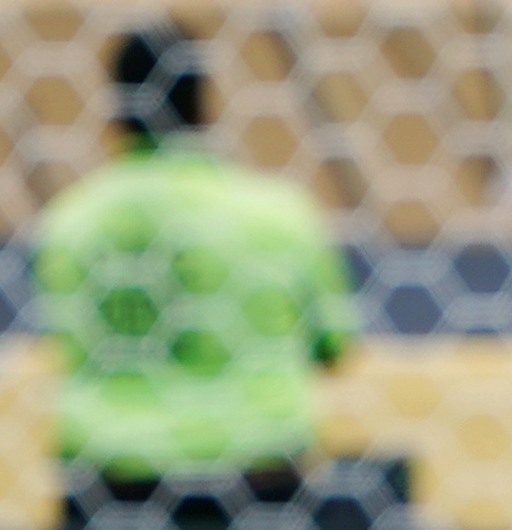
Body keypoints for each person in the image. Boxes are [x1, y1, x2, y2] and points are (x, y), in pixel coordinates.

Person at [35, 27, 357, 489]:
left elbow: (71, 348)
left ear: (115, 105)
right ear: (205, 98)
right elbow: (335, 347)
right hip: (261, 466)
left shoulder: (72, 222)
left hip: (116, 474)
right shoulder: (280, 214)